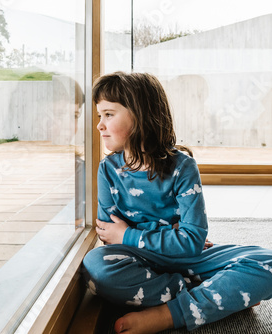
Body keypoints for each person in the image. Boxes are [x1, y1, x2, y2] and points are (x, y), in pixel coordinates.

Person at [82, 71, 272, 334]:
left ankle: (168, 314)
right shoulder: (107, 170)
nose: (100, 125)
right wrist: (170, 236)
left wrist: (130, 234)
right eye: (99, 115)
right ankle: (215, 296)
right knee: (96, 267)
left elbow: (192, 240)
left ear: (140, 116)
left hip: (189, 258)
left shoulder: (182, 167)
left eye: (109, 114)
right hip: (141, 260)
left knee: (267, 262)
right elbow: (109, 236)